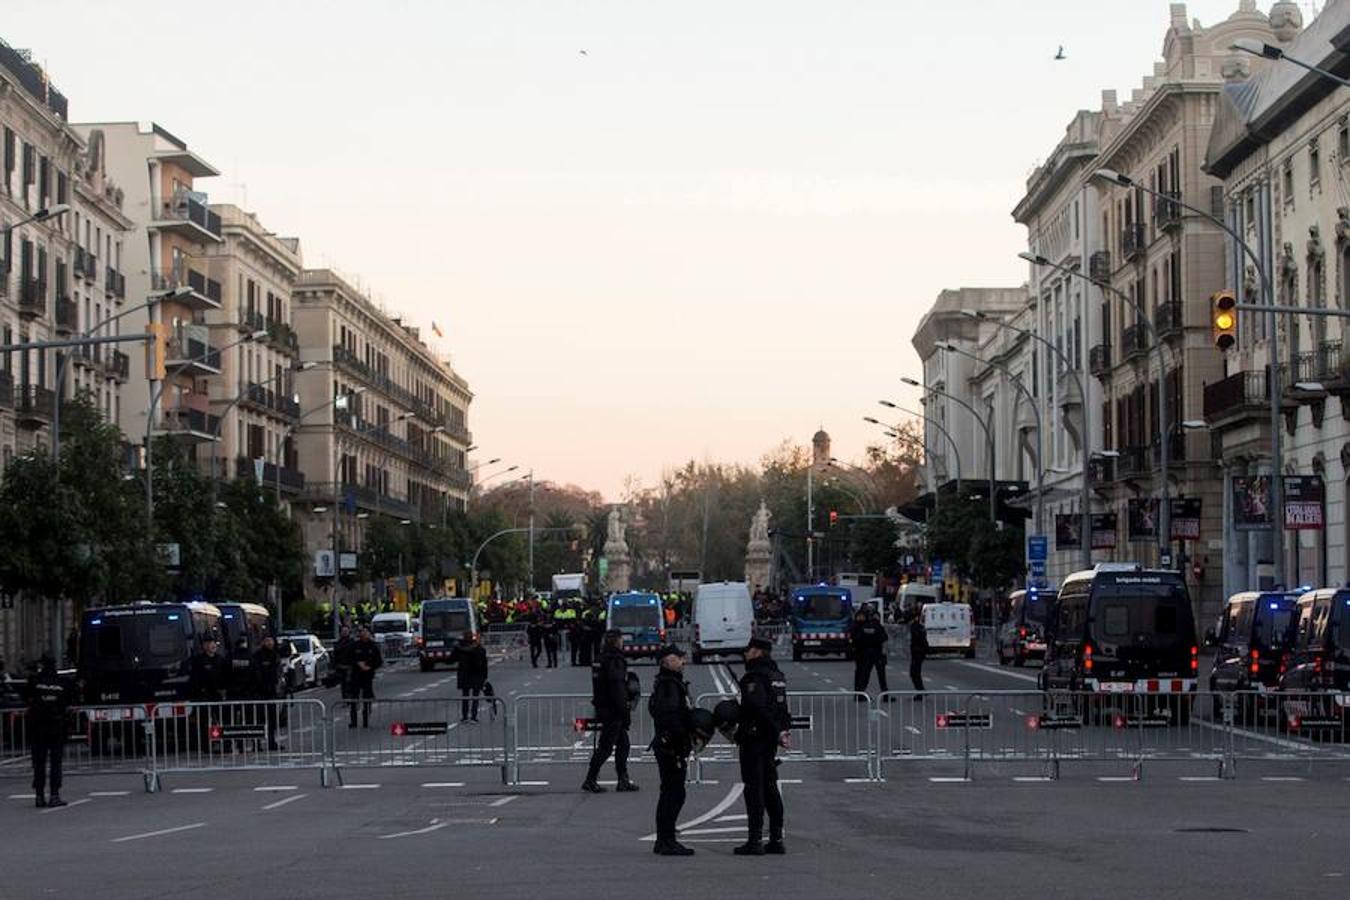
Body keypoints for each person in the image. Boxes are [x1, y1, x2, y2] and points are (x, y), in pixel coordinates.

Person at [734, 636, 790, 856]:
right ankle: (776, 838)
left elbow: (757, 708)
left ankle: (755, 840)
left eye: (748, 650)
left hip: (754, 737)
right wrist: (782, 731)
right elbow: (782, 708)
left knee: (754, 788)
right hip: (769, 740)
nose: (745, 654)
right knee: (770, 786)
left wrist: (737, 711)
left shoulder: (755, 677)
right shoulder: (777, 675)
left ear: (758, 652)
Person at [649, 644, 694, 856]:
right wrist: (682, 737)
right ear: (667, 661)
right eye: (678, 658)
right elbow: (670, 715)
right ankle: (666, 840)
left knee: (673, 792)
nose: (682, 661)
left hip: (669, 744)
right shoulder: (668, 685)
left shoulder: (669, 683)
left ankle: (665, 839)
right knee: (673, 793)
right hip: (670, 746)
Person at [581, 630, 638, 793]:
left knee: (623, 744)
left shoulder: (600, 659)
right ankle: (591, 779)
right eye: (621, 640)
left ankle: (623, 779)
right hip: (613, 709)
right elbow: (617, 686)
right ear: (616, 642)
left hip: (604, 706)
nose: (623, 643)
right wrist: (624, 709)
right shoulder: (615, 660)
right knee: (606, 747)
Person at [26, 655, 70, 809]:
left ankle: (39, 795)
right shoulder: (61, 682)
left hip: (37, 728)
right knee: (55, 763)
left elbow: (28, 698)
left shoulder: (35, 681)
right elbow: (66, 702)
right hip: (56, 727)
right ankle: (54, 795)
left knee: (39, 763)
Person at [849, 607, 892, 702]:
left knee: (865, 675)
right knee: (881, 676)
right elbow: (884, 639)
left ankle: (860, 694)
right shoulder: (878, 627)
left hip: (866, 653)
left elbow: (858, 639)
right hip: (877, 653)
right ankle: (885, 695)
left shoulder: (864, 627)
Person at [251, 635, 285, 750]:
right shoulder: (258, 656)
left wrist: (279, 686)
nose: (270, 643)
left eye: (271, 641)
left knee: (272, 719)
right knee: (259, 719)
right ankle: (257, 744)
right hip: (260, 691)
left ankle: (271, 742)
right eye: (267, 641)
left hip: (272, 691)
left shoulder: (275, 655)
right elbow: (256, 673)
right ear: (263, 642)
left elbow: (278, 672)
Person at [348, 626, 383, 728]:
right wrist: (358, 664)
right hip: (356, 676)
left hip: (367, 676)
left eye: (366, 632)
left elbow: (378, 661)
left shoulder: (373, 646)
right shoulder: (354, 645)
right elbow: (349, 658)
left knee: (366, 698)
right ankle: (353, 721)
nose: (364, 633)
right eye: (362, 632)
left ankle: (365, 720)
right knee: (354, 699)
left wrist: (369, 666)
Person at [449, 632, 489, 722]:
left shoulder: (459, 648)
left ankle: (465, 716)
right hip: (477, 674)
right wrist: (485, 676)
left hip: (464, 674)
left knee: (465, 696)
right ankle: (474, 717)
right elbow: (484, 664)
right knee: (475, 696)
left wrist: (455, 648)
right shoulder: (479, 648)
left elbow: (451, 660)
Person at [909, 610, 929, 699]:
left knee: (914, 673)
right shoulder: (920, 627)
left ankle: (920, 691)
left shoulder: (915, 627)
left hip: (917, 652)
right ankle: (921, 690)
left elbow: (917, 639)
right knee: (915, 672)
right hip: (920, 652)